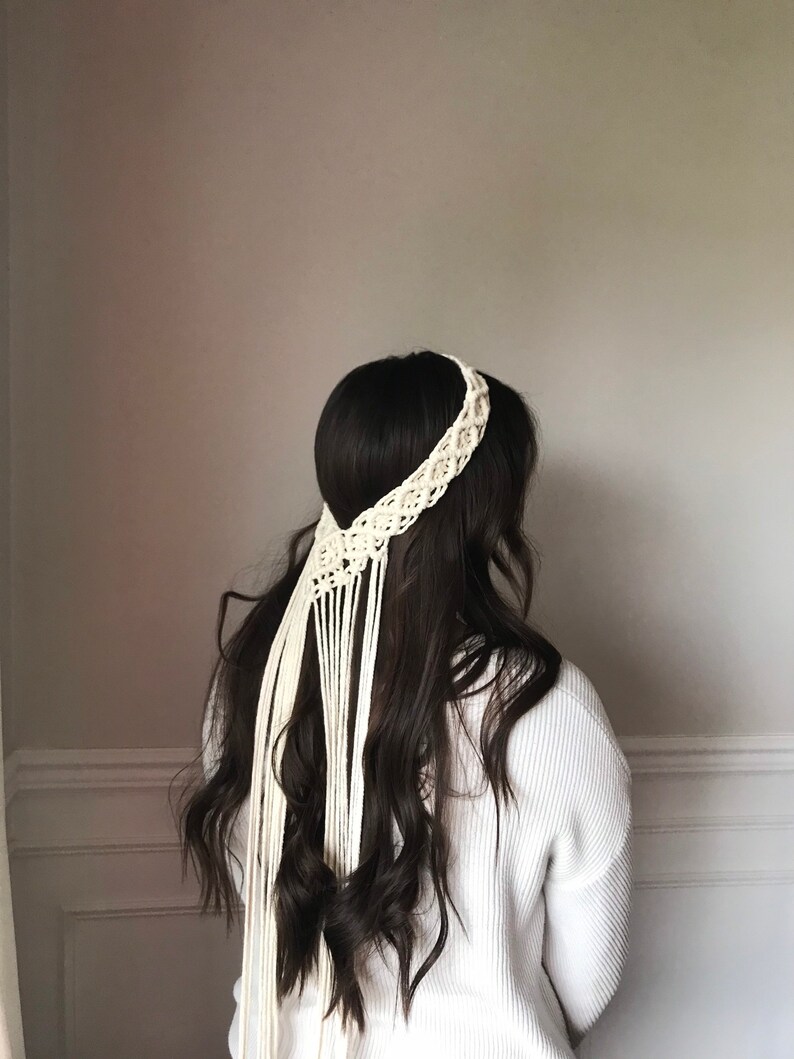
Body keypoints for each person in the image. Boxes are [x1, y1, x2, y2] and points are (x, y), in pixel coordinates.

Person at [180, 350, 632, 1059]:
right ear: (483, 512)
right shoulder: (549, 707)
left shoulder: (254, 683)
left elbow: (266, 898)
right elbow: (588, 981)